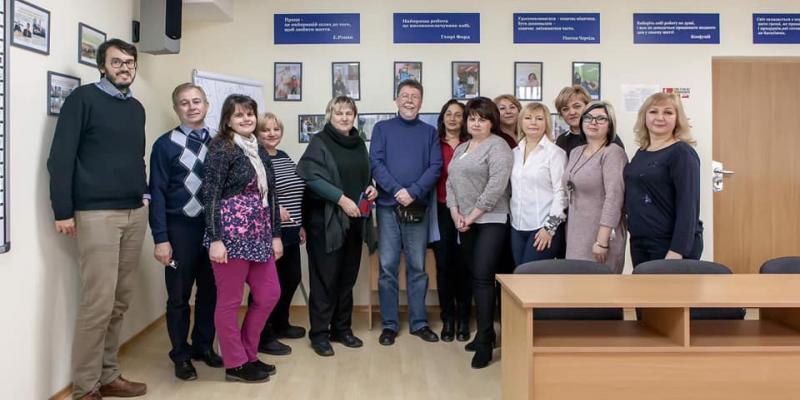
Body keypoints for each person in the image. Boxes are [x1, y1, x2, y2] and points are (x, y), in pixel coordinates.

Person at [47, 39, 148, 399]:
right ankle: (85, 388)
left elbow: (135, 156)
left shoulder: (135, 107)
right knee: (98, 304)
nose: (125, 67)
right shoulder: (83, 100)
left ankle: (108, 374)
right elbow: (60, 158)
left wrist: (144, 194)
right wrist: (62, 210)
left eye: (130, 62)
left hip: (134, 212)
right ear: (102, 66)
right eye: (117, 62)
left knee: (120, 302)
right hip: (97, 213)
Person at [203, 94, 282, 383]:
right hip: (230, 236)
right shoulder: (221, 148)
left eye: (250, 113)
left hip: (259, 235)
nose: (246, 119)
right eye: (239, 115)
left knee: (269, 293)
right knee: (230, 301)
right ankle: (235, 364)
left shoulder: (258, 149)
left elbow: (271, 194)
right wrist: (215, 238)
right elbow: (210, 194)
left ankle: (249, 353)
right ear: (227, 120)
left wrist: (275, 235)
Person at [148, 83, 222, 381]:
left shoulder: (220, 142)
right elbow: (156, 193)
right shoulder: (164, 144)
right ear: (176, 108)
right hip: (180, 230)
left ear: (206, 105)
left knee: (211, 292)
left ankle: (203, 346)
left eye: (196, 101)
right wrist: (161, 238)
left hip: (214, 229)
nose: (191, 107)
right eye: (184, 102)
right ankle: (181, 355)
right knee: (179, 296)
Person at [297, 96, 378, 357]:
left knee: (347, 278)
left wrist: (371, 188)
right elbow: (310, 177)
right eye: (339, 112)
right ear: (329, 115)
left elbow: (363, 175)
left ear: (354, 116)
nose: (344, 117)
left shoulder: (358, 143)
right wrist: (341, 199)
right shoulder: (319, 142)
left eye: (349, 113)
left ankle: (341, 330)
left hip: (355, 221)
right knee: (325, 279)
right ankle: (320, 334)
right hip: (326, 222)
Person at [370, 80, 443, 346]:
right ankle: (389, 325)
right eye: (404, 96)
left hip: (417, 208)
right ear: (396, 100)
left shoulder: (430, 132)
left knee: (417, 267)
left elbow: (435, 166)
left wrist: (413, 192)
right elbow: (376, 163)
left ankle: (419, 322)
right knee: (388, 266)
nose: (409, 100)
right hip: (388, 208)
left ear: (421, 101)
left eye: (414, 96)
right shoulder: (382, 129)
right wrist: (396, 190)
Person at [446, 97, 513, 369]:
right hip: (465, 221)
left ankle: (485, 341)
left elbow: (496, 186)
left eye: (482, 119)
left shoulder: (498, 147)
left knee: (484, 278)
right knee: (475, 277)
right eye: (472, 118)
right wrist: (455, 214)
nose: (476, 123)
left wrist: (471, 216)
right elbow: (450, 183)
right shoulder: (462, 147)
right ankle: (485, 332)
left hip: (491, 220)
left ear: (492, 122)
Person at [624, 93, 703, 267]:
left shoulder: (682, 153)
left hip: (671, 244)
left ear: (677, 119)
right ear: (644, 117)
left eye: (668, 112)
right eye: (653, 112)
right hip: (641, 240)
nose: (660, 117)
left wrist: (677, 250)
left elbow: (688, 206)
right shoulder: (642, 152)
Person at [253, 113, 307, 356]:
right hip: (268, 232)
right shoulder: (255, 157)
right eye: (266, 129)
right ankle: (262, 335)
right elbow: (251, 194)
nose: (272, 133)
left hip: (291, 230)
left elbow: (295, 191)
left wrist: (300, 224)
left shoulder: (283, 156)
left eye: (276, 129)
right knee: (266, 286)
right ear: (257, 133)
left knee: (291, 278)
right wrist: (274, 210)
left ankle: (281, 324)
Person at [563, 101, 628, 273]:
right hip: (576, 233)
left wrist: (602, 241)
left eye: (601, 119)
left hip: (601, 234)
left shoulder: (613, 153)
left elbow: (614, 198)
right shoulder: (576, 152)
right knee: (575, 285)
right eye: (588, 117)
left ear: (610, 125)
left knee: (600, 287)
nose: (593, 122)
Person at [509, 103, 567, 266]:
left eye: (539, 118)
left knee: (531, 277)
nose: (533, 122)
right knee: (519, 275)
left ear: (546, 123)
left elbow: (561, 193)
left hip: (543, 227)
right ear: (521, 122)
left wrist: (549, 228)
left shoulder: (555, 154)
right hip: (517, 226)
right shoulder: (514, 153)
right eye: (528, 118)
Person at [432, 99, 471, 342]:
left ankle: (464, 319)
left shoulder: (473, 143)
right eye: (449, 114)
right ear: (443, 117)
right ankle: (448, 319)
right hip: (441, 209)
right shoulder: (434, 144)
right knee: (444, 265)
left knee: (465, 266)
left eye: (459, 114)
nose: (453, 118)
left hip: (470, 212)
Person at [554, 85, 624, 159]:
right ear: (561, 114)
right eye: (565, 109)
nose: (572, 112)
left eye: (577, 106)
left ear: (588, 107)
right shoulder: (561, 140)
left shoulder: (608, 137)